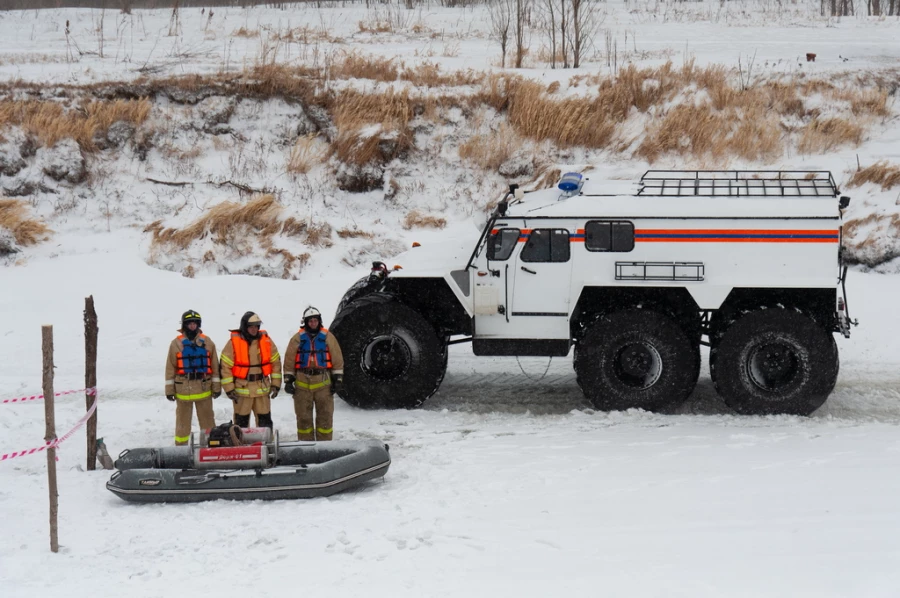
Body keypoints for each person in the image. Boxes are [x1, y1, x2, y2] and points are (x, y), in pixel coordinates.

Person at [283, 306, 344, 441]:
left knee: (325, 418)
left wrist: (338, 379)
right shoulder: (297, 339)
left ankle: (325, 446)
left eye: (315, 320)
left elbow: (337, 360)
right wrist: (288, 381)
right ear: (305, 322)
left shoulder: (328, 337)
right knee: (303, 419)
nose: (313, 323)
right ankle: (306, 447)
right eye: (310, 321)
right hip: (302, 385)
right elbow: (289, 360)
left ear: (319, 321)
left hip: (323, 384)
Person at [165, 310, 220, 446]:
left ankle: (211, 446)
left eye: (195, 323)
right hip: (183, 390)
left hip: (204, 389)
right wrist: (169, 390)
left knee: (208, 422)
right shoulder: (175, 344)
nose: (192, 326)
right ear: (184, 325)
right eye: (189, 323)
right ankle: (181, 450)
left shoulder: (208, 342)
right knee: (182, 424)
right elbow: (170, 368)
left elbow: (214, 367)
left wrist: (217, 387)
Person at [220, 312, 282, 430]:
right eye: (251, 326)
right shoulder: (233, 343)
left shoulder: (266, 341)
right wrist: (229, 389)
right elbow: (225, 366)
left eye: (256, 326)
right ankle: (241, 446)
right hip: (242, 390)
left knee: (265, 422)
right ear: (244, 326)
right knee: (241, 424)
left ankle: (266, 445)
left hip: (262, 389)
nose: (254, 329)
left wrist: (276, 385)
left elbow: (276, 363)